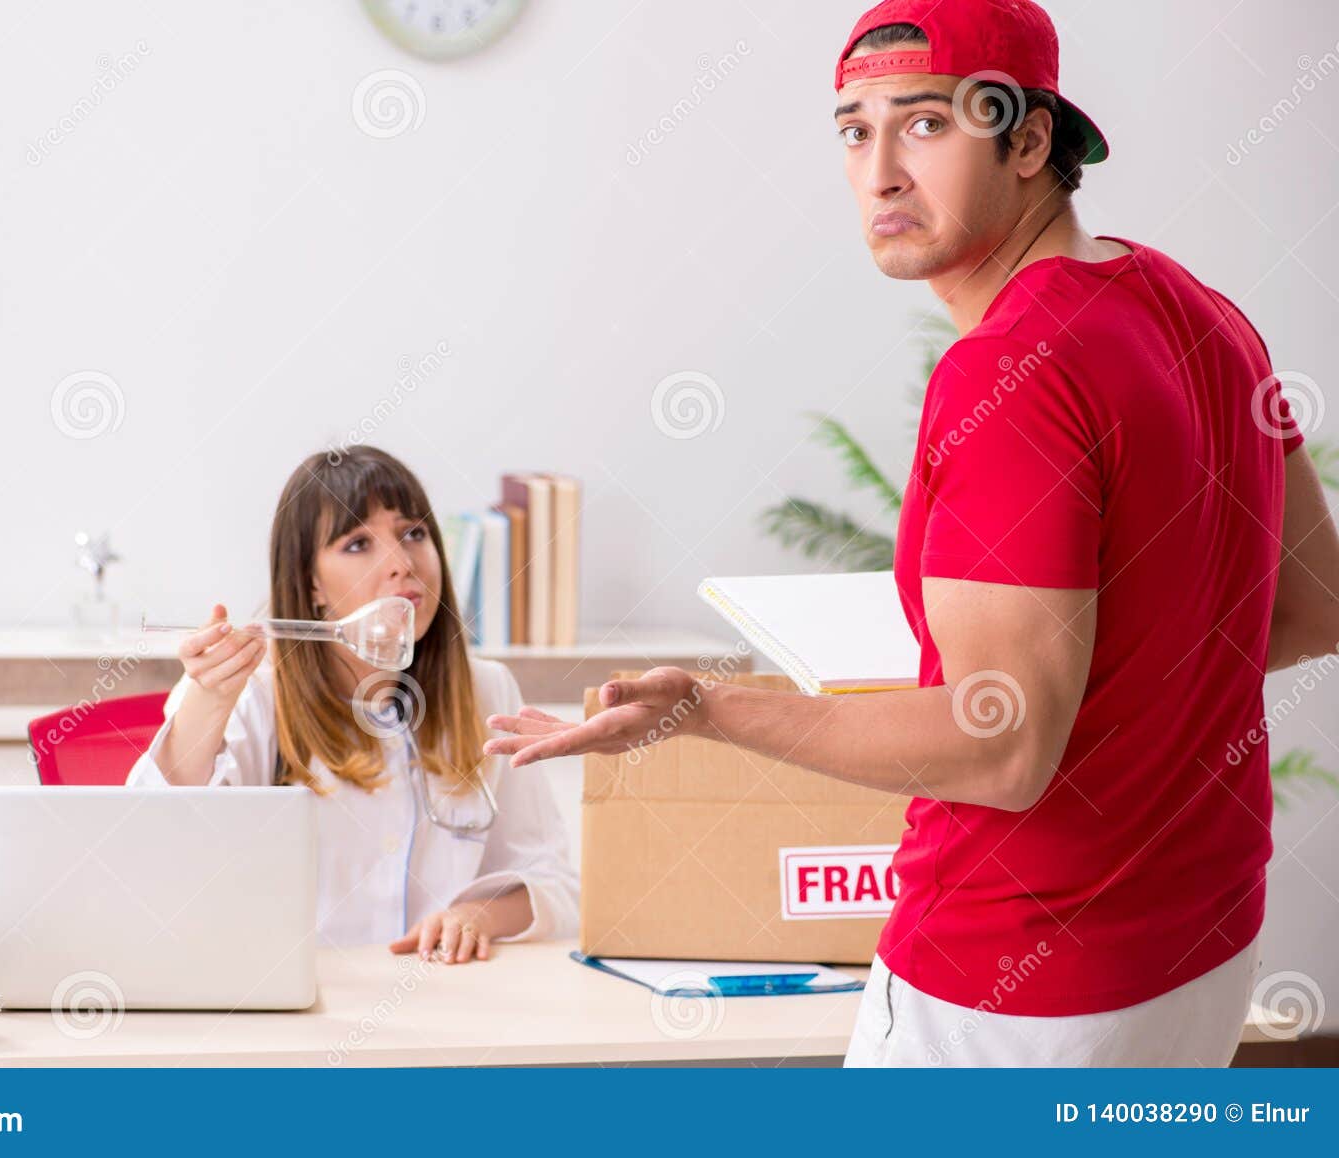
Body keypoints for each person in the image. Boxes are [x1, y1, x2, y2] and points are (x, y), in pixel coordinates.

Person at [485, 0, 1339, 1064]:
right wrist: (1118, 700)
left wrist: (703, 708)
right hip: (1195, 954)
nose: (881, 171)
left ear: (1030, 140)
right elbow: (1311, 609)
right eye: (854, 129)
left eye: (926, 124)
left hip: (1012, 986)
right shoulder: (1203, 314)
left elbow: (1003, 746)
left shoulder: (1011, 371)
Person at [129, 445, 579, 963]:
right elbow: (154, 857)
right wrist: (207, 704)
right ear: (311, 584)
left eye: (414, 533)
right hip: (297, 1008)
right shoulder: (248, 693)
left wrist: (477, 916)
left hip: (443, 999)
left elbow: (553, 883)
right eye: (357, 543)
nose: (402, 564)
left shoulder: (487, 691)